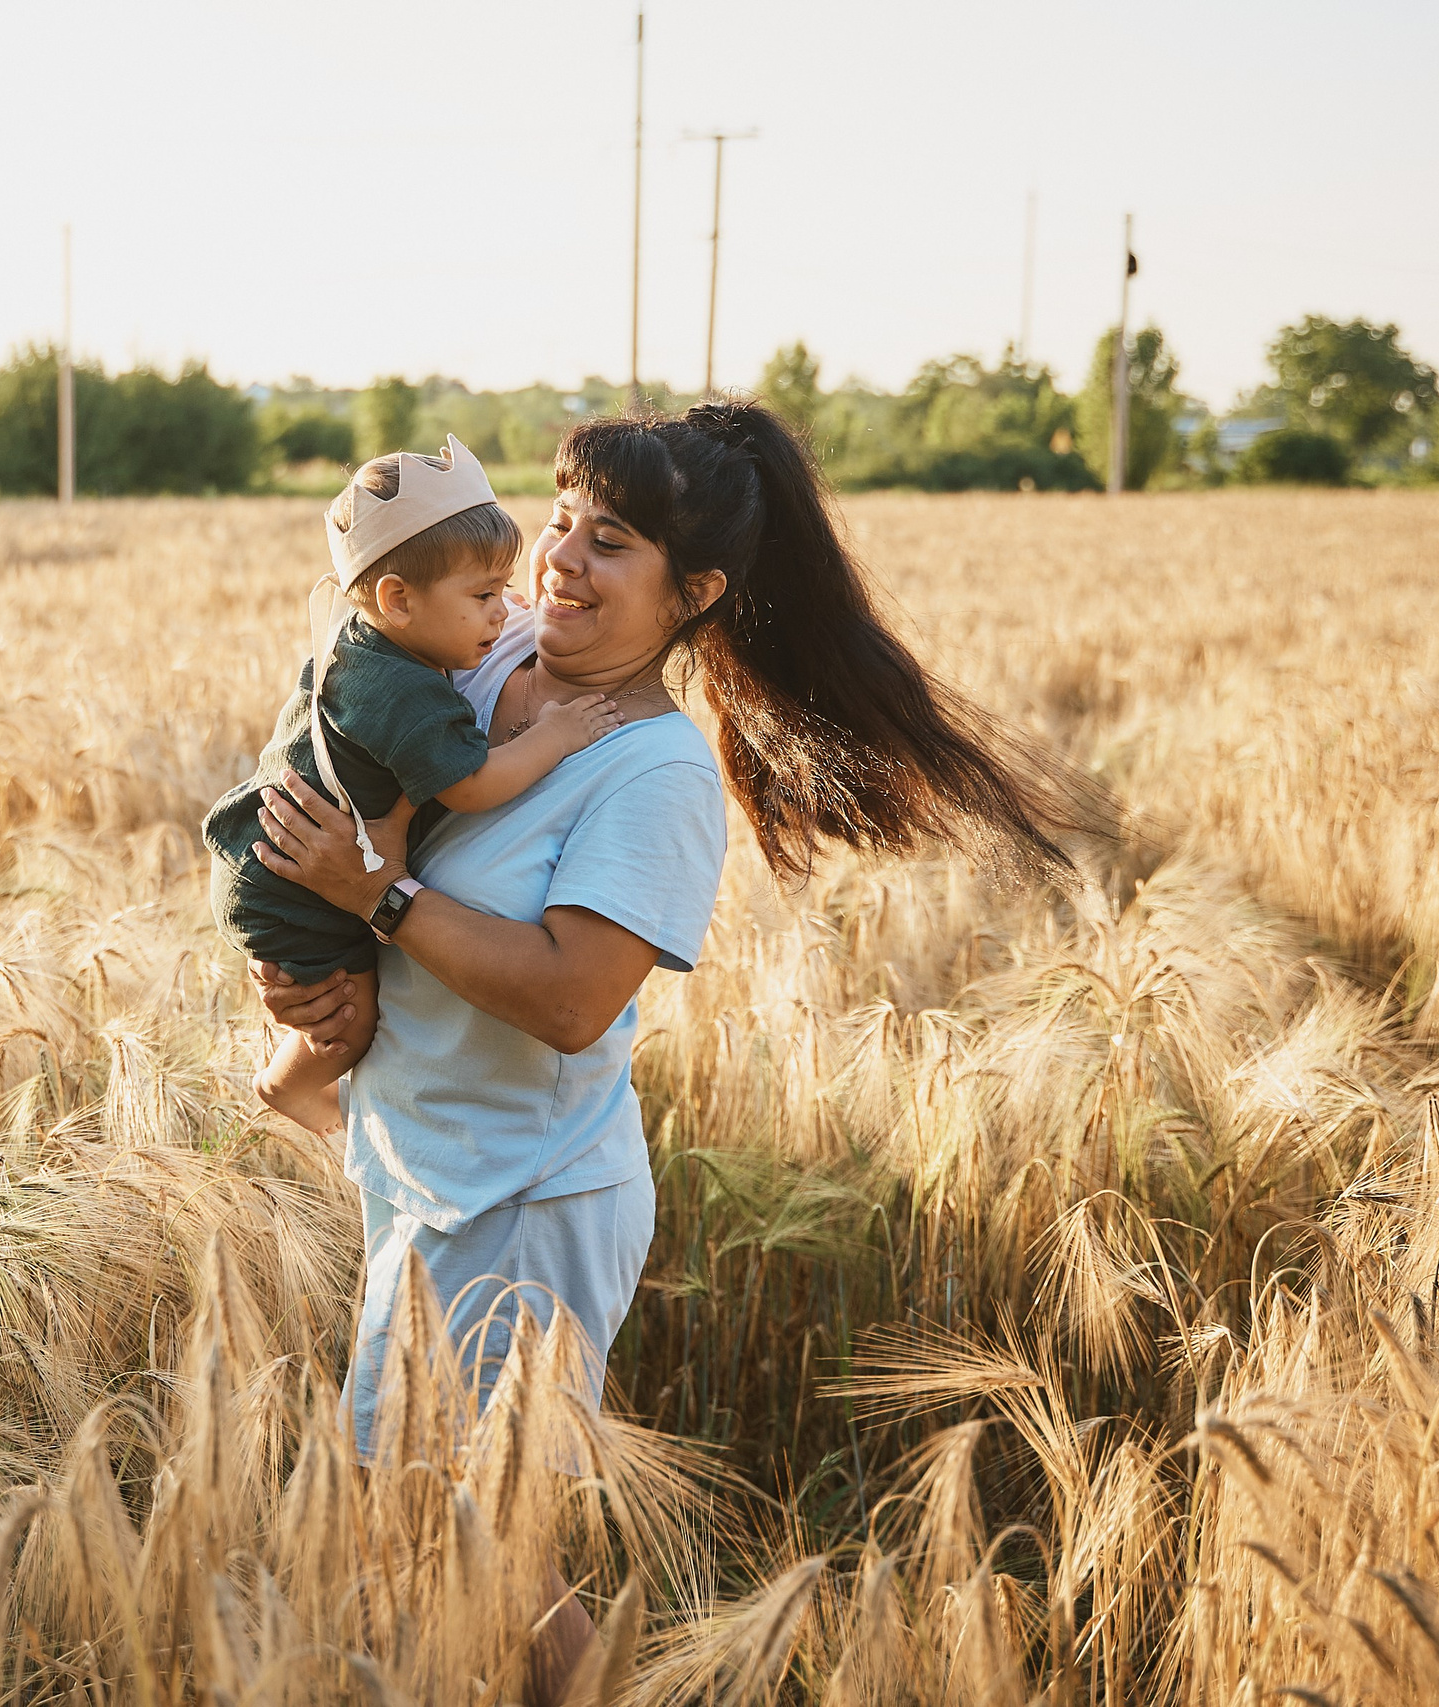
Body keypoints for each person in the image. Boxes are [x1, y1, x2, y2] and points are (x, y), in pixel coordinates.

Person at [246, 399, 1102, 1703]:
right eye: (562, 520)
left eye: (616, 543)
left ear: (695, 589)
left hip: (529, 1197)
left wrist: (378, 903)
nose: (561, 561)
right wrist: (300, 946)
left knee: (488, 1544)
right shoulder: (485, 659)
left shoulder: (652, 773)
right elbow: (343, 766)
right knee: (412, 1523)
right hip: (422, 1165)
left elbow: (571, 995)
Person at [201, 436, 616, 1128]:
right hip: (291, 885)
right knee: (350, 1019)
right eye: (483, 593)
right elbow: (473, 784)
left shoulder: (378, 639)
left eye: (501, 588)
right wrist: (557, 735)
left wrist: (488, 602)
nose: (501, 609)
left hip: (273, 858)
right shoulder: (406, 691)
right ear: (398, 598)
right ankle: (289, 1086)